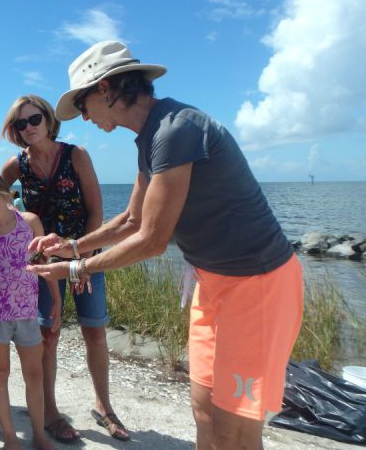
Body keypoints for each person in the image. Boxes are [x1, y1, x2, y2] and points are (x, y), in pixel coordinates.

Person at [29, 41, 304, 450]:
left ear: (105, 89)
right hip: (212, 284)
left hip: (256, 285)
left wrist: (77, 269)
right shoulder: (149, 136)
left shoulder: (177, 128)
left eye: (83, 105)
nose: (83, 117)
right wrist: (71, 247)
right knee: (205, 412)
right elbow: (132, 219)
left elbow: (153, 240)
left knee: (235, 431)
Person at [0, 94, 128, 443]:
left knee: (95, 330)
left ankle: (104, 406)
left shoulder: (76, 155)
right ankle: (51, 411)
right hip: (43, 262)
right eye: (19, 123)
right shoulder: (17, 165)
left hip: (85, 256)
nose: (28, 128)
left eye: (34, 120)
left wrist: (80, 262)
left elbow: (95, 211)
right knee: (49, 334)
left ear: (48, 120)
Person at [0, 172, 59, 450]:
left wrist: (56, 300)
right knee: (1, 372)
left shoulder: (30, 223)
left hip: (28, 311)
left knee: (34, 374)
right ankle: (9, 438)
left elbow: (45, 264)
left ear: (7, 197)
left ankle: (39, 436)